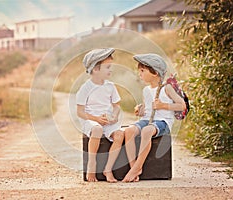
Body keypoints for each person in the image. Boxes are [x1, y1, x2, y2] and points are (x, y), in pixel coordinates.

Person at [122, 53, 186, 182]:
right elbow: (147, 110)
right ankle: (134, 166)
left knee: (147, 131)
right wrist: (140, 110)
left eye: (142, 71)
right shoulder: (146, 90)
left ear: (155, 72)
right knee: (128, 131)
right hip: (148, 120)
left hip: (162, 122)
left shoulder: (166, 88)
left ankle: (136, 167)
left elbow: (182, 105)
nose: (140, 74)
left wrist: (163, 105)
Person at [76, 48, 124, 183]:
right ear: (96, 69)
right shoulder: (85, 88)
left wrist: (114, 117)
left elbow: (117, 106)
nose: (111, 70)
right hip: (91, 121)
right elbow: (80, 112)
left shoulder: (110, 86)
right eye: (108, 67)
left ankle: (108, 169)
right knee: (97, 129)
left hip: (107, 121)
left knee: (119, 135)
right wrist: (96, 119)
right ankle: (92, 164)